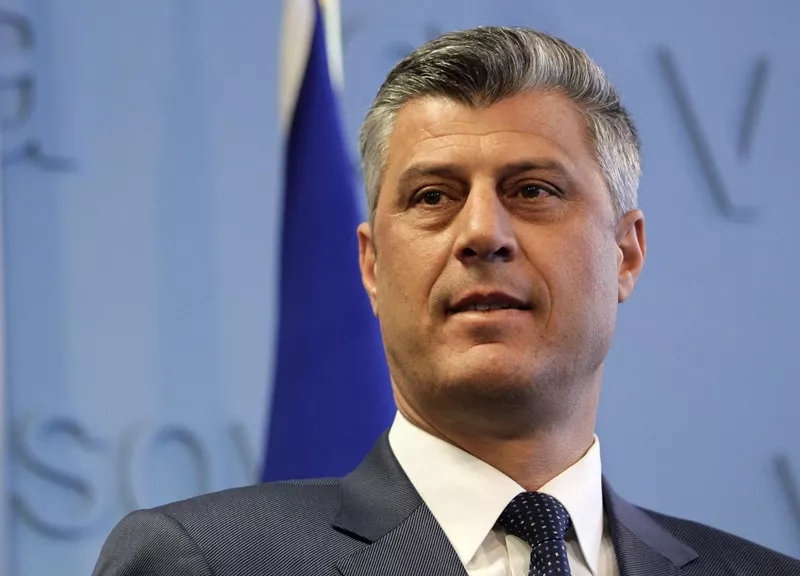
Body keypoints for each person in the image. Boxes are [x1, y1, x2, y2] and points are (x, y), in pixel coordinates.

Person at [92, 26, 800, 576]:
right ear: (371, 265)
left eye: (533, 191)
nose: (482, 233)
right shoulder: (207, 561)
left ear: (627, 253)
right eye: (433, 197)